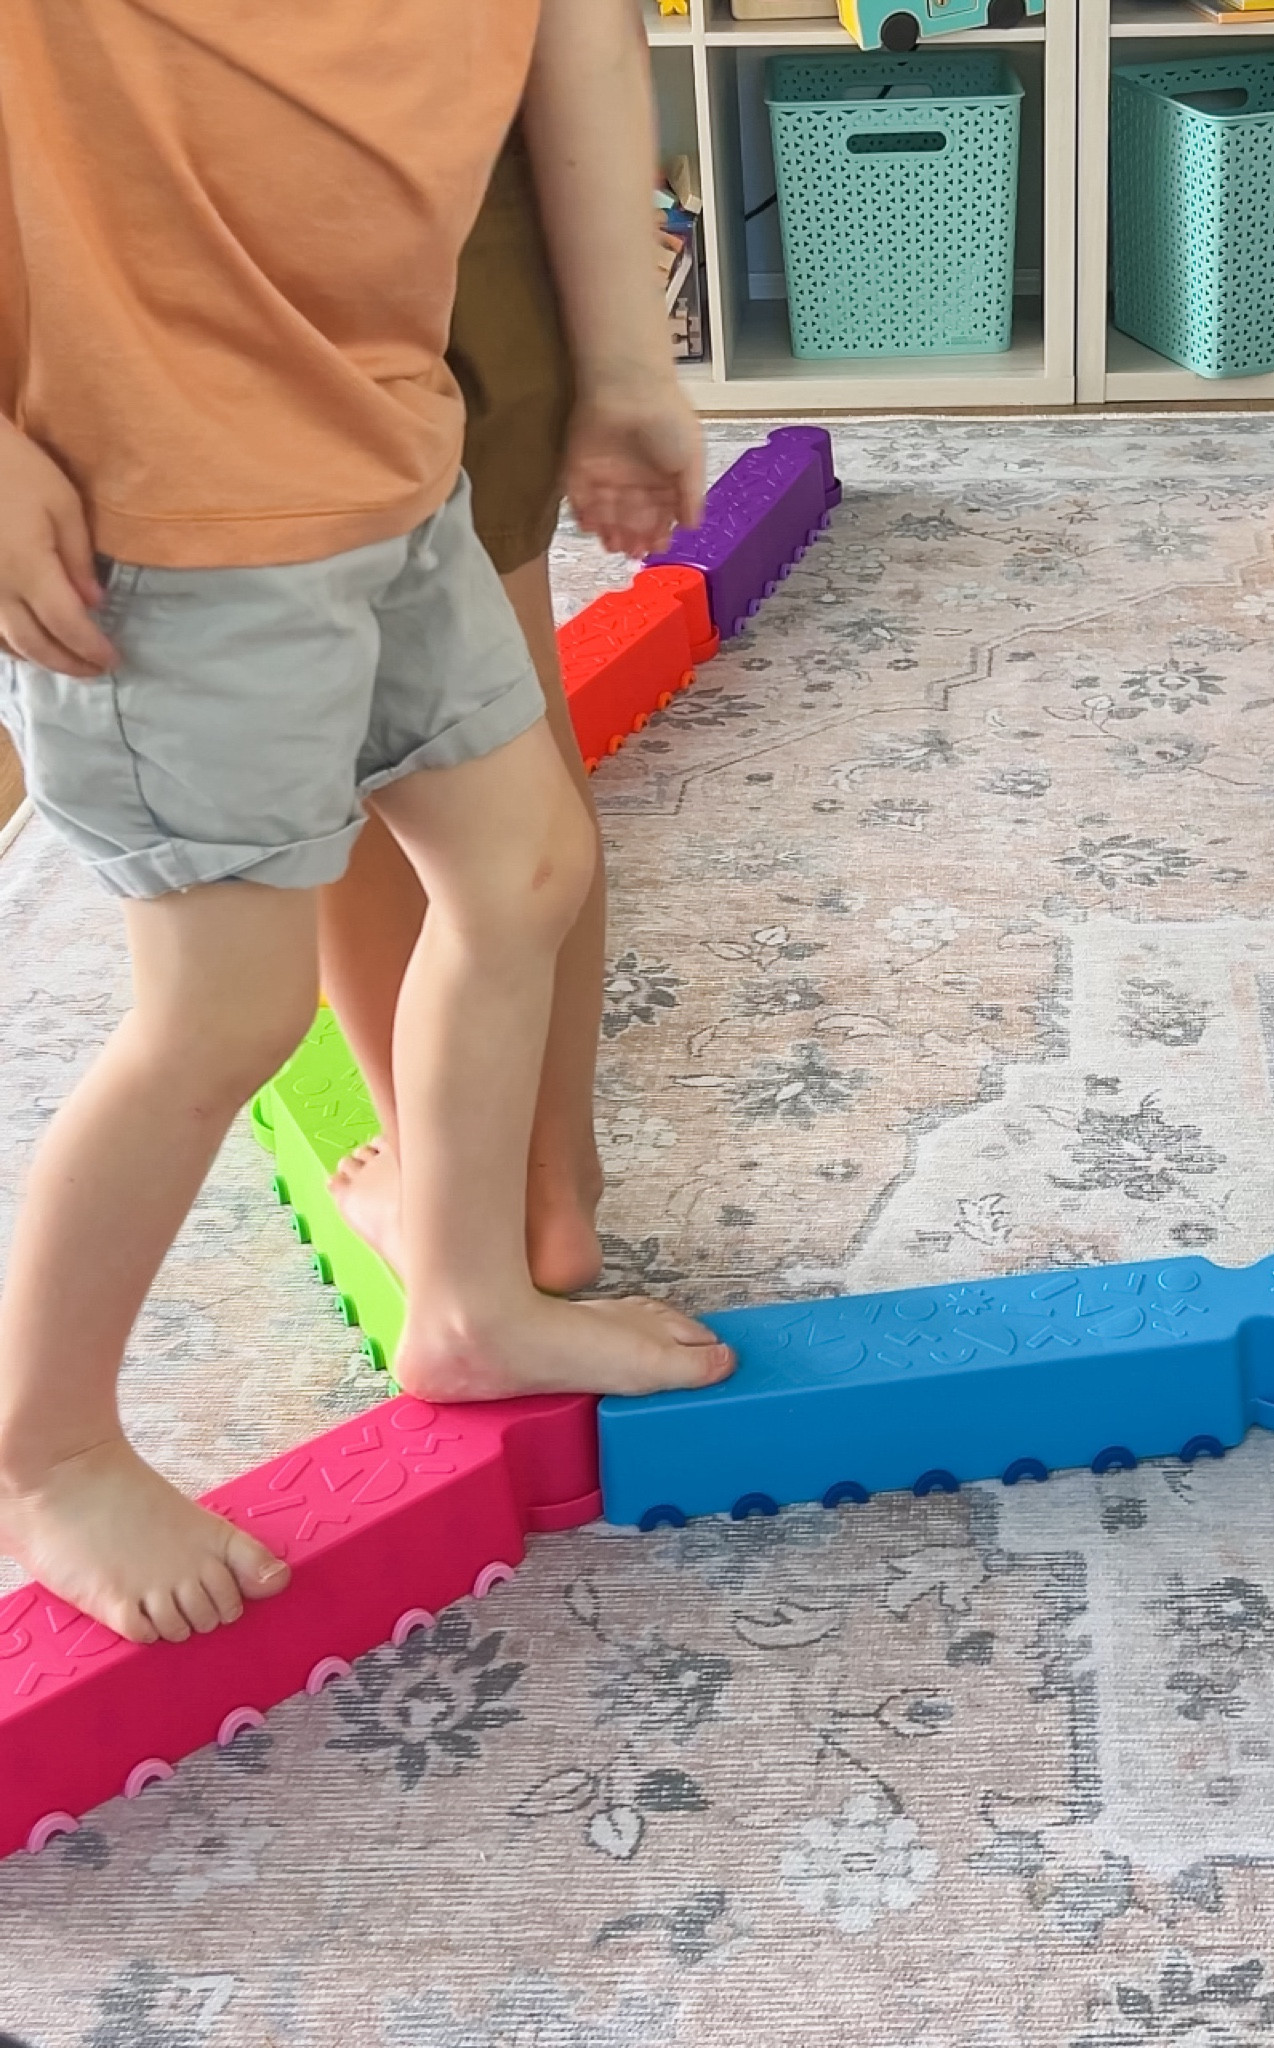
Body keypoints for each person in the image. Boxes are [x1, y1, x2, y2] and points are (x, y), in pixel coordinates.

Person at [0, 0, 734, 1651]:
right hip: (172, 526)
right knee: (223, 1008)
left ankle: (468, 1299)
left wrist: (623, 371)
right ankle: (45, 1451)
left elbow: (576, 46)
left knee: (525, 864)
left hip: (392, 455)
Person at [320, 13, 706, 1298]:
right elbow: (582, 31)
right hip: (454, 191)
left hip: (213, 244)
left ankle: (456, 1194)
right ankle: (548, 1188)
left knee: (339, 723)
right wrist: (624, 362)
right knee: (499, 700)